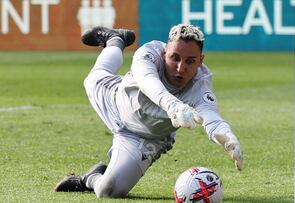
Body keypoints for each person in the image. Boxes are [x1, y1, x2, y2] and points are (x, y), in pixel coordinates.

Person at [54, 24, 243, 198]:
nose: (180, 67)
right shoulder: (148, 52)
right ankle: (115, 40)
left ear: (201, 61)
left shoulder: (200, 85)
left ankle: (90, 178)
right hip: (114, 99)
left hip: (144, 138)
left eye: (190, 61)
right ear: (164, 52)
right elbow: (147, 82)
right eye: (174, 58)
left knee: (108, 191)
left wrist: (227, 136)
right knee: (92, 79)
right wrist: (171, 104)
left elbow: (211, 116)